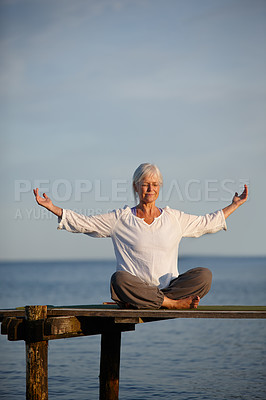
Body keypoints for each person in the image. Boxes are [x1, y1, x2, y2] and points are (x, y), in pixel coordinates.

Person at [33, 163, 248, 310]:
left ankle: (152, 301)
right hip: (137, 289)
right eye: (145, 184)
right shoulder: (121, 218)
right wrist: (53, 207)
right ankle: (170, 305)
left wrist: (234, 205)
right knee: (119, 280)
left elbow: (206, 223)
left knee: (204, 275)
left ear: (160, 188)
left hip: (169, 288)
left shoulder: (173, 218)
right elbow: (85, 223)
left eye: (155, 185)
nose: (150, 189)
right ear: (136, 186)